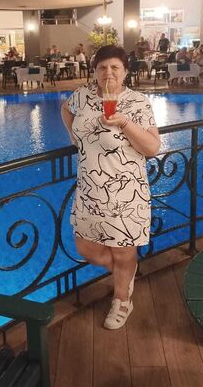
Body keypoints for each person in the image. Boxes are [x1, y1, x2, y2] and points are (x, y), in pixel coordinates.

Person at [61, 45, 161, 330]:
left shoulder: (137, 102)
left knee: (123, 251)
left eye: (115, 67)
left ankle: (122, 300)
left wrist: (125, 123)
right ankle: (125, 275)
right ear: (94, 71)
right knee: (86, 248)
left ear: (125, 72)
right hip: (89, 191)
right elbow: (65, 108)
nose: (108, 73)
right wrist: (73, 135)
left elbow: (153, 147)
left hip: (125, 194)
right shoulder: (82, 95)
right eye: (102, 67)